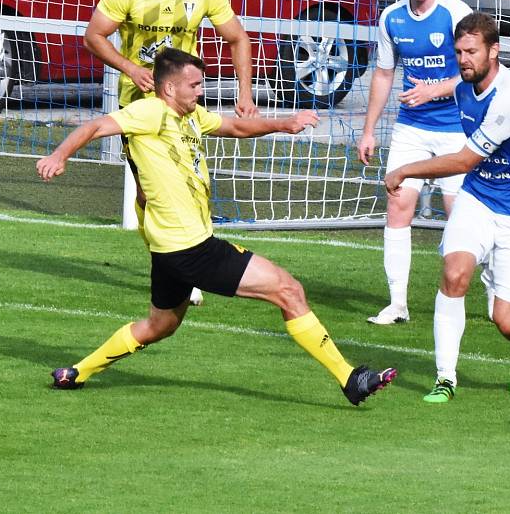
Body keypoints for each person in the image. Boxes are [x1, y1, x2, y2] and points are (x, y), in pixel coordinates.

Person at [37, 47, 397, 406]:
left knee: (157, 326)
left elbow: (236, 125)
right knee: (288, 290)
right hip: (192, 249)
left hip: (171, 252)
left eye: (201, 84)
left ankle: (77, 372)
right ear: (169, 89)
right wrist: (59, 155)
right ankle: (349, 378)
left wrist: (284, 123)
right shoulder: (150, 112)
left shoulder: (192, 117)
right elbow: (97, 125)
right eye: (193, 85)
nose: (200, 91)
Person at [84, 0, 259, 306]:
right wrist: (130, 67)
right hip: (139, 105)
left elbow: (238, 38)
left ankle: (189, 266)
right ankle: (170, 262)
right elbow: (94, 36)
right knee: (149, 192)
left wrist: (244, 93)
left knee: (188, 183)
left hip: (183, 108)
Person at [384, 12, 510, 402]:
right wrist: (429, 91)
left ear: (494, 51)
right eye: (458, 51)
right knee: (455, 273)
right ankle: (445, 378)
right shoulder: (464, 86)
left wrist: (405, 170)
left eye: (472, 51)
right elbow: (453, 87)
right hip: (479, 199)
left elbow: (463, 162)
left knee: (507, 320)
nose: (463, 59)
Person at [357, 0, 472, 325]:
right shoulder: (391, 18)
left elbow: (476, 70)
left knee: (461, 216)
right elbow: (385, 73)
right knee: (397, 204)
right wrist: (369, 130)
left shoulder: (457, 14)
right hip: (412, 129)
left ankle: (493, 293)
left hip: (457, 129)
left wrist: (434, 89)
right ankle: (397, 304)